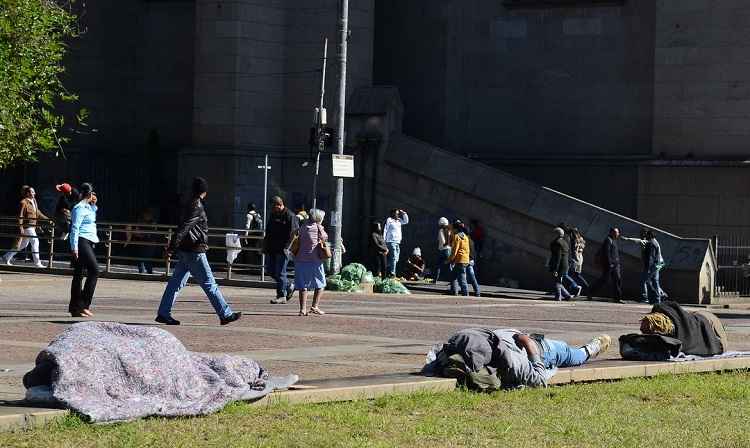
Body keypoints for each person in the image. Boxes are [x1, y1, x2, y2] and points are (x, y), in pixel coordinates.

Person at [155, 177, 241, 326]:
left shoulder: (188, 204)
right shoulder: (196, 206)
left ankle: (163, 313)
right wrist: (171, 248)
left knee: (175, 283)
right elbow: (184, 228)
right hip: (195, 251)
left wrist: (173, 247)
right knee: (209, 284)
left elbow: (182, 227)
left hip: (186, 250)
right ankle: (225, 314)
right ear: (204, 191)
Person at [424, 327, 611, 390]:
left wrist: (528, 344)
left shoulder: (464, 339)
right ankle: (592, 347)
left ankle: (593, 347)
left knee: (572, 354)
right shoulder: (465, 338)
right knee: (573, 355)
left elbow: (539, 380)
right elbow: (539, 380)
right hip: (538, 348)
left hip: (540, 347)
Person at [68, 183, 100, 317]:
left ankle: (75, 307)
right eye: (92, 194)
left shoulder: (89, 207)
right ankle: (83, 304)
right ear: (88, 194)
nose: (94, 196)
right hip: (81, 240)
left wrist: (94, 204)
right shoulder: (79, 208)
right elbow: (74, 228)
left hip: (89, 240)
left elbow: (93, 213)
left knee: (78, 274)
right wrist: (74, 247)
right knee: (94, 270)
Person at [3, 185, 50, 268]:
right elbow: (20, 216)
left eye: (34, 192)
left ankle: (7, 256)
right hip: (27, 226)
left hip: (33, 226)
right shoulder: (23, 202)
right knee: (35, 242)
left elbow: (37, 212)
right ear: (28, 193)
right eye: (32, 192)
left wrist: (47, 219)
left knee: (23, 245)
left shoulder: (34, 201)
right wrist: (20, 227)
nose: (34, 193)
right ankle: (37, 263)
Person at [264, 196, 299, 304]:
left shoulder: (290, 216)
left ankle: (281, 295)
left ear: (279, 205)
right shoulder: (273, 214)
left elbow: (294, 234)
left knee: (280, 273)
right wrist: (264, 246)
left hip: (284, 249)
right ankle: (289, 286)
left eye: (274, 207)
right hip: (272, 248)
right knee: (270, 271)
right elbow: (268, 231)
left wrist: (287, 248)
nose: (273, 210)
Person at [294, 208, 328, 316]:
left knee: (303, 285)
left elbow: (295, 235)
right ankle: (314, 306)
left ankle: (302, 309)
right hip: (315, 260)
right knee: (321, 283)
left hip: (300, 259)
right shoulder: (318, 227)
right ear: (319, 218)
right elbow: (325, 238)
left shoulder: (302, 227)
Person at [622, 229, 667, 304]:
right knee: (655, 281)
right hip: (660, 263)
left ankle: (646, 297)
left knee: (645, 280)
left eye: (646, 234)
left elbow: (650, 256)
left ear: (649, 235)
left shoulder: (650, 243)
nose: (645, 236)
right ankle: (659, 296)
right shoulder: (654, 241)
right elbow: (639, 240)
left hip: (655, 264)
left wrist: (627, 239)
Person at [588, 227, 624, 303]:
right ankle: (590, 292)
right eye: (616, 232)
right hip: (610, 265)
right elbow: (606, 253)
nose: (618, 234)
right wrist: (610, 263)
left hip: (616, 265)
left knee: (617, 280)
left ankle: (617, 298)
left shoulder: (614, 240)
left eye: (618, 232)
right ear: (611, 232)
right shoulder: (608, 240)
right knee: (603, 280)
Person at [125, 208, 159, 274]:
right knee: (140, 258)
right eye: (146, 215)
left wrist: (141, 234)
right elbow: (137, 232)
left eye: (148, 215)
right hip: (141, 243)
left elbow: (152, 233)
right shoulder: (140, 222)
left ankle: (149, 271)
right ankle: (142, 271)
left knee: (147, 259)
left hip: (149, 243)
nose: (147, 216)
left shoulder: (153, 223)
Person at [549, 227, 577, 301]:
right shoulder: (565, 242)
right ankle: (566, 295)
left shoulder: (557, 243)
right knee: (558, 280)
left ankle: (559, 297)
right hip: (565, 264)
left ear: (556, 234)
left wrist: (555, 269)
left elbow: (558, 257)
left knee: (557, 281)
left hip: (559, 264)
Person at [383, 208, 409, 277]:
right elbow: (385, 229)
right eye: (396, 213)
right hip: (390, 241)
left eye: (398, 214)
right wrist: (384, 241)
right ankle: (392, 273)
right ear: (392, 214)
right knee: (394, 257)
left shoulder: (399, 221)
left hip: (397, 242)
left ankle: (384, 267)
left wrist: (404, 213)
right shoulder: (389, 220)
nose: (398, 215)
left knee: (396, 259)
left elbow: (406, 221)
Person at [448, 220, 470, 296]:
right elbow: (467, 249)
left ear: (456, 229)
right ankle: (454, 291)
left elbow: (455, 250)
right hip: (465, 259)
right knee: (453, 276)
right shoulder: (465, 237)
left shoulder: (457, 237)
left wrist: (450, 259)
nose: (452, 230)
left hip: (460, 260)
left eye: (453, 229)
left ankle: (465, 293)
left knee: (462, 278)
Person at [433, 217, 452, 283]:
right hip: (449, 250)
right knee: (449, 266)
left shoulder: (441, 230)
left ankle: (435, 280)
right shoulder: (450, 230)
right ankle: (452, 281)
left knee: (437, 265)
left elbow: (442, 241)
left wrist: (443, 245)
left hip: (443, 250)